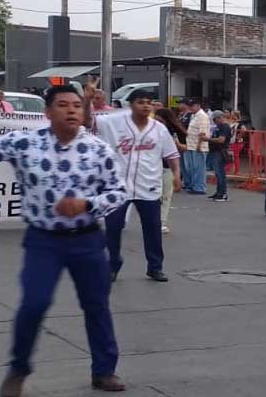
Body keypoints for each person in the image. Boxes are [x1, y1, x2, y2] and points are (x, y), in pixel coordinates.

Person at [0, 85, 129, 397]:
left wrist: (87, 204)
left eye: (76, 105)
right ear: (48, 112)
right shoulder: (26, 143)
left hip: (87, 239)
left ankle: (104, 370)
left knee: (97, 305)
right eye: (63, 105)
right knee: (34, 304)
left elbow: (119, 192)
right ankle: (18, 368)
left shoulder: (98, 150)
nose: (71, 110)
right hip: (43, 241)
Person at [86, 86, 180, 282]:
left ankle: (155, 267)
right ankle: (113, 264)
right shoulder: (114, 122)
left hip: (149, 186)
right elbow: (88, 121)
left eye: (149, 103)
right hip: (118, 187)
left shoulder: (159, 129)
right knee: (113, 228)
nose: (145, 106)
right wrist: (87, 100)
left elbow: (171, 154)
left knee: (152, 229)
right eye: (140, 102)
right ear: (131, 105)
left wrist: (177, 174)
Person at [151, 107, 186, 233]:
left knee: (165, 196)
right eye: (156, 120)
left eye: (161, 121)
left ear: (168, 121)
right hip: (152, 167)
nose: (158, 123)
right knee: (153, 196)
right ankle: (152, 220)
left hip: (167, 167)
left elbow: (185, 148)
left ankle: (161, 222)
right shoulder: (150, 131)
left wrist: (177, 144)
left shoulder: (175, 132)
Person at [181, 97, 211, 194]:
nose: (190, 108)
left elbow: (202, 133)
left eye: (192, 106)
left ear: (198, 105)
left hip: (198, 146)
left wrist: (199, 145)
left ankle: (199, 188)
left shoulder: (202, 116)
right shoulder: (194, 115)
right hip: (191, 145)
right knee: (192, 168)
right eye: (189, 106)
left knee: (199, 168)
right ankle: (194, 186)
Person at [207, 111, 232, 202]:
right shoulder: (218, 127)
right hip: (215, 151)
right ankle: (218, 192)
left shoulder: (225, 127)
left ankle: (223, 193)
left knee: (220, 173)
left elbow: (221, 140)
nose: (214, 122)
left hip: (220, 151)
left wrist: (208, 139)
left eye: (215, 119)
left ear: (219, 118)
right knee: (218, 173)